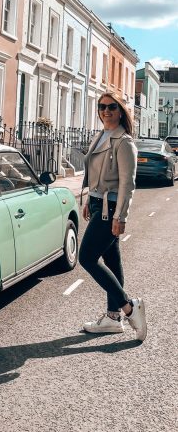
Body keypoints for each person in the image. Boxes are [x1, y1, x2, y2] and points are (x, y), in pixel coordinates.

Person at [79, 90, 147, 341]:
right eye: (102, 107)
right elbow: (96, 173)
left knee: (86, 257)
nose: (105, 111)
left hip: (110, 210)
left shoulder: (123, 141)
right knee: (111, 260)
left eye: (111, 107)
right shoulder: (101, 135)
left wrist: (121, 217)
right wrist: (89, 199)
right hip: (98, 203)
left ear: (120, 111)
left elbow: (127, 183)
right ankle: (112, 318)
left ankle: (129, 307)